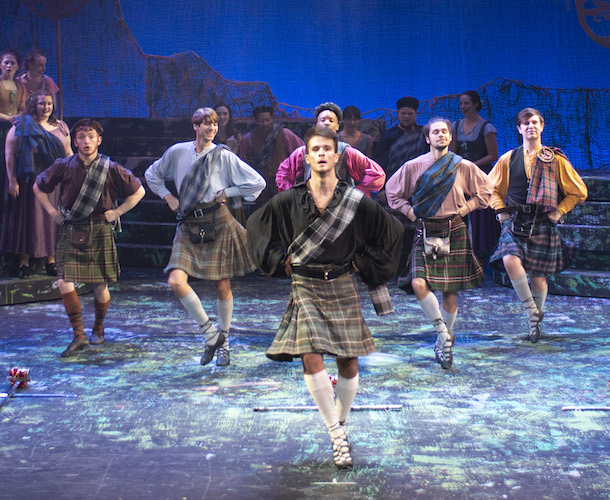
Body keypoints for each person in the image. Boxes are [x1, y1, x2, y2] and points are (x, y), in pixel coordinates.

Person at [247, 126, 403, 469]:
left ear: (336, 156)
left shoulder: (355, 200)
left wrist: (363, 262)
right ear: (306, 157)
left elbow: (391, 230)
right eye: (314, 149)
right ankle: (336, 435)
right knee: (310, 355)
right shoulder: (290, 199)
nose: (320, 154)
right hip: (305, 284)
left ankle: (340, 423)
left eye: (326, 149)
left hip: (342, 283)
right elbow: (257, 227)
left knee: (348, 362)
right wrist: (279, 261)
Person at [145, 107, 265, 367]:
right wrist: (168, 196)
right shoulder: (178, 151)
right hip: (190, 223)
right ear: (195, 126)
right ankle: (210, 334)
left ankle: (224, 342)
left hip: (217, 220)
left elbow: (257, 182)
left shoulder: (223, 155)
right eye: (206, 123)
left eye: (214, 124)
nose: (212, 128)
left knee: (222, 284)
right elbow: (152, 174)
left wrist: (228, 192)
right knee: (176, 281)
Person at [386, 117, 493, 369]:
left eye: (445, 131)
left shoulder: (462, 166)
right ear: (427, 138)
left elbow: (486, 190)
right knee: (418, 283)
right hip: (426, 231)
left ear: (450, 136)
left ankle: (442, 342)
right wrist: (410, 212)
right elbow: (392, 191)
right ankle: (443, 332)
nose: (441, 135)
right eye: (435, 132)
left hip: (453, 229)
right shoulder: (413, 166)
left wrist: (466, 208)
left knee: (449, 291)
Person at [33, 119, 145, 357]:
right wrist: (52, 212)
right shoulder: (63, 165)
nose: (86, 141)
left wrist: (117, 212)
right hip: (72, 227)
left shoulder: (110, 167)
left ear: (99, 140)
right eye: (82, 137)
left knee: (100, 286)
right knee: (64, 282)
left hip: (99, 228)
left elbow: (139, 191)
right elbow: (38, 186)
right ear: (75, 141)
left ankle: (98, 327)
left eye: (91, 137)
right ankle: (79, 335)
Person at [488, 108, 587, 343]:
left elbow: (579, 191)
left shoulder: (556, 159)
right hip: (516, 221)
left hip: (542, 222)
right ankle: (531, 310)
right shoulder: (509, 158)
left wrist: (559, 211)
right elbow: (489, 188)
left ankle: (535, 322)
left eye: (534, 122)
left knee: (538, 276)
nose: (530, 126)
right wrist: (500, 210)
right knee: (509, 259)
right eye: (526, 123)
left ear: (542, 126)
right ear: (519, 128)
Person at [0, 89, 72, 279]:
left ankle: (51, 261)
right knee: (28, 219)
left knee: (51, 218)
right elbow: (9, 154)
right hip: (29, 180)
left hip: (54, 181)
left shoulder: (60, 126)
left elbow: (68, 154)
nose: (46, 107)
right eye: (42, 103)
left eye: (49, 103)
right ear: (34, 105)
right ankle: (24, 262)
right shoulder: (22, 125)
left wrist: (72, 177)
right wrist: (12, 180)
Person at [275, 102, 385, 197]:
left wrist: (356, 192)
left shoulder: (346, 151)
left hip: (340, 205)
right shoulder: (303, 151)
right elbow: (284, 173)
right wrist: (293, 195)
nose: (327, 123)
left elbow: (377, 174)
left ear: (337, 126)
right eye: (323, 120)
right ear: (317, 124)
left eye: (331, 120)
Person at [450, 90, 499, 261]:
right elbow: (452, 153)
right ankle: (460, 253)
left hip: (480, 177)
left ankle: (481, 253)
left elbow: (493, 155)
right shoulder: (455, 126)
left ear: (476, 104)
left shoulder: (486, 128)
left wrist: (471, 166)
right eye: (461, 103)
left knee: (480, 214)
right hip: (460, 177)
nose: (463, 106)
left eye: (466, 103)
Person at [238, 105, 303, 207]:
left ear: (272, 119)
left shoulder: (284, 133)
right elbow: (241, 161)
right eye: (261, 121)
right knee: (263, 211)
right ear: (256, 121)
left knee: (283, 208)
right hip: (261, 182)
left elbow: (301, 150)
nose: (265, 123)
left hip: (282, 181)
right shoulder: (249, 138)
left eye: (267, 120)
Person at [373, 96, 428, 178]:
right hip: (393, 180)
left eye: (410, 114)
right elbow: (380, 163)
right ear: (397, 114)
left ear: (416, 114)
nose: (407, 116)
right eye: (403, 113)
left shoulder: (423, 134)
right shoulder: (388, 136)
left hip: (419, 180)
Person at [214, 103, 246, 224]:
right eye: (218, 114)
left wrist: (235, 147)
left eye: (224, 114)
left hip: (231, 179)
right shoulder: (209, 134)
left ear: (229, 115)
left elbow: (237, 161)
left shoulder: (236, 136)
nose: (222, 117)